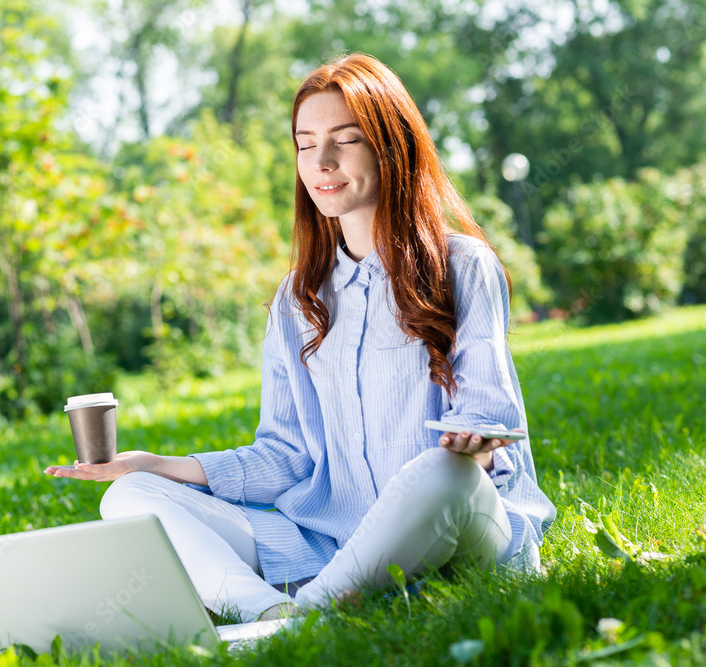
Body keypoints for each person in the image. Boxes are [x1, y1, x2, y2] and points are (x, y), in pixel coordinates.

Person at [45, 53, 556, 623]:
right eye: (306, 143)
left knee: (438, 472)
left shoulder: (462, 265)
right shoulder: (298, 299)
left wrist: (475, 444)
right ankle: (265, 612)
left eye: (346, 139)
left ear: (393, 146)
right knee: (129, 497)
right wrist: (160, 464)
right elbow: (284, 454)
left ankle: (308, 616)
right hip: (325, 543)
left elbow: (489, 414)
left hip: (460, 526)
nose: (323, 162)